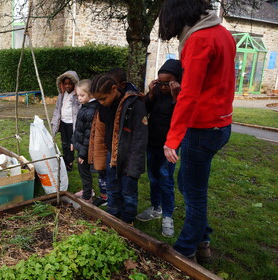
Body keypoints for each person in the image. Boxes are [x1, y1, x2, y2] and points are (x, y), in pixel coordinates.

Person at [159, 0, 235, 261]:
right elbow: (212, 81)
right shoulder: (222, 32)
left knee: (193, 192)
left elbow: (190, 95)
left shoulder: (199, 39)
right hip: (221, 123)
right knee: (188, 183)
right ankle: (203, 241)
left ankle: (186, 249)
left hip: (203, 126)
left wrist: (172, 139)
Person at [88, 71, 148, 224]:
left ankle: (128, 222)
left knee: (128, 193)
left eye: (103, 98)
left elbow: (140, 139)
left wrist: (134, 168)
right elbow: (101, 132)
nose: (101, 102)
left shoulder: (135, 106)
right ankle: (113, 217)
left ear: (114, 89)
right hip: (111, 156)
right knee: (112, 189)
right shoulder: (104, 106)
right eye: (98, 99)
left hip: (130, 158)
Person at [136, 59, 182, 238]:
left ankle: (168, 215)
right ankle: (156, 207)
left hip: (170, 146)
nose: (163, 86)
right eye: (160, 82)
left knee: (166, 179)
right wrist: (150, 94)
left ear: (176, 81)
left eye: (167, 83)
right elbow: (145, 110)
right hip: (153, 142)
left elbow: (182, 115)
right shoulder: (156, 92)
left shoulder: (180, 95)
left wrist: (176, 95)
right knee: (154, 177)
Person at [71, 80, 99, 202]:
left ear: (91, 95)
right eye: (78, 95)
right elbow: (78, 128)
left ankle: (88, 196)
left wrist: (83, 153)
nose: (79, 98)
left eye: (82, 96)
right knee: (82, 172)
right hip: (81, 145)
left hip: (86, 149)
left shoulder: (91, 111)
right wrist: (73, 141)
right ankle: (87, 189)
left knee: (85, 172)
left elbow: (89, 135)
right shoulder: (84, 107)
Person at [51, 70, 80, 172]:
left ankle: (70, 162)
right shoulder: (62, 95)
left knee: (71, 144)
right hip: (63, 122)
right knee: (64, 143)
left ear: (74, 84)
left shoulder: (77, 96)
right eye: (65, 84)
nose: (68, 86)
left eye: (70, 84)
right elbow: (58, 108)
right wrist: (55, 121)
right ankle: (65, 160)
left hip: (72, 123)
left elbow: (79, 109)